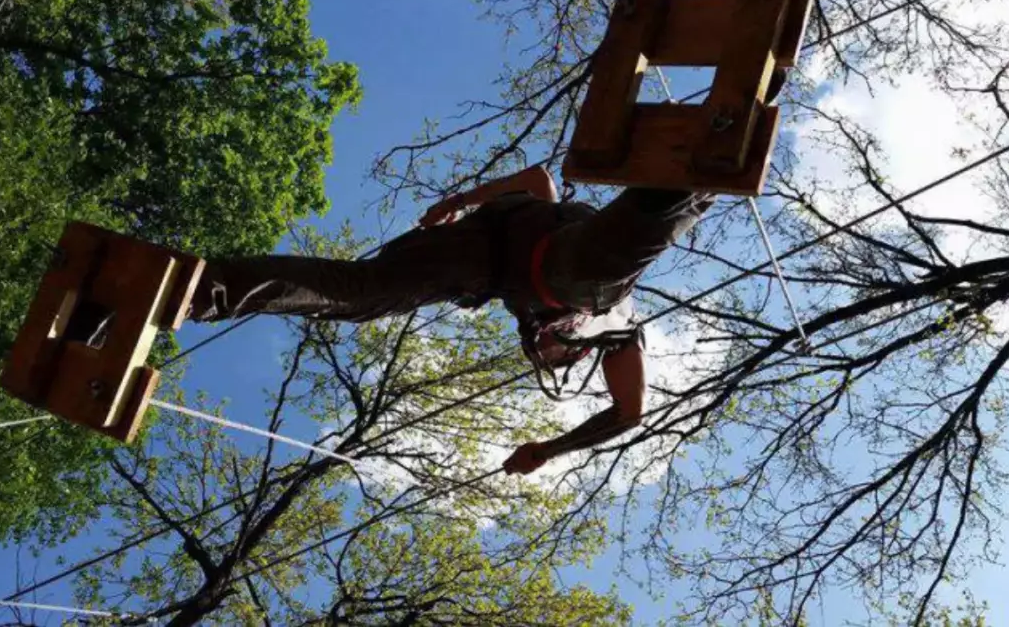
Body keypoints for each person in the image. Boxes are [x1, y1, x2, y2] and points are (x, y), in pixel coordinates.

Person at [185, 169, 714, 476]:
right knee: (601, 265)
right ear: (570, 350)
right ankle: (692, 177)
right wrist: (548, 451)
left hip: (470, 257)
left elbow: (538, 179)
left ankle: (206, 288)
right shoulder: (618, 327)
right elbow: (629, 411)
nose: (541, 348)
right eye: (551, 353)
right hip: (537, 258)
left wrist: (460, 201)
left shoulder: (596, 322)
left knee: (360, 293)